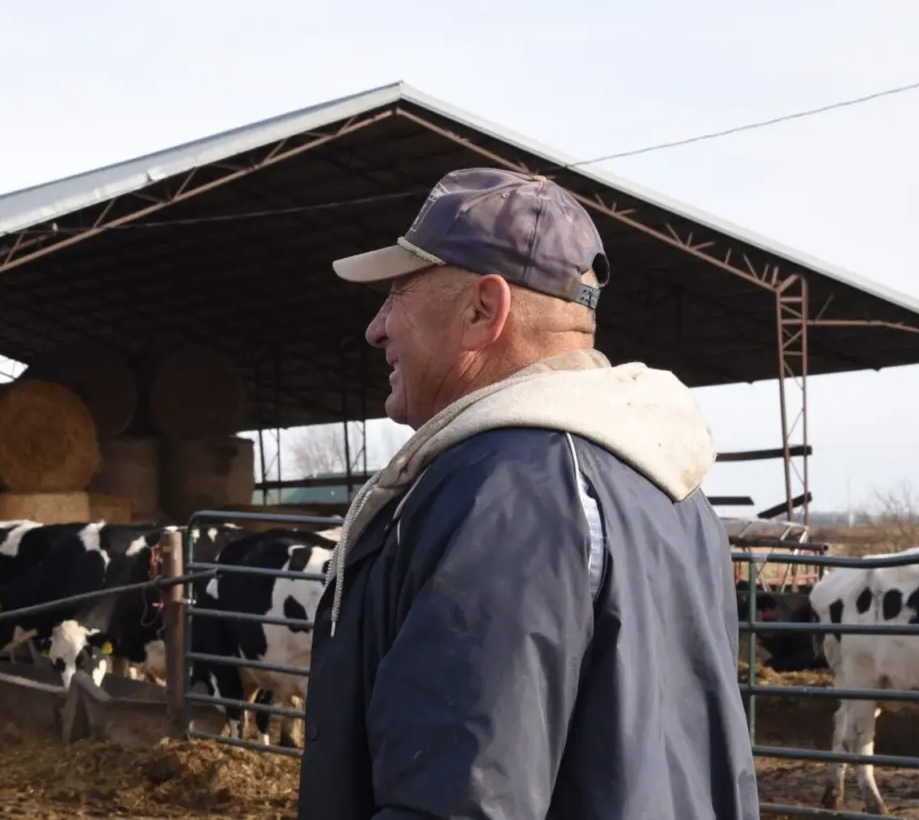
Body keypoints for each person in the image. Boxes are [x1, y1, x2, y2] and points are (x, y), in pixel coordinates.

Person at [298, 167, 760, 820]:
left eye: (397, 293)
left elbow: (461, 801)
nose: (376, 328)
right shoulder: (674, 491)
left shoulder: (505, 493)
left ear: (483, 310)